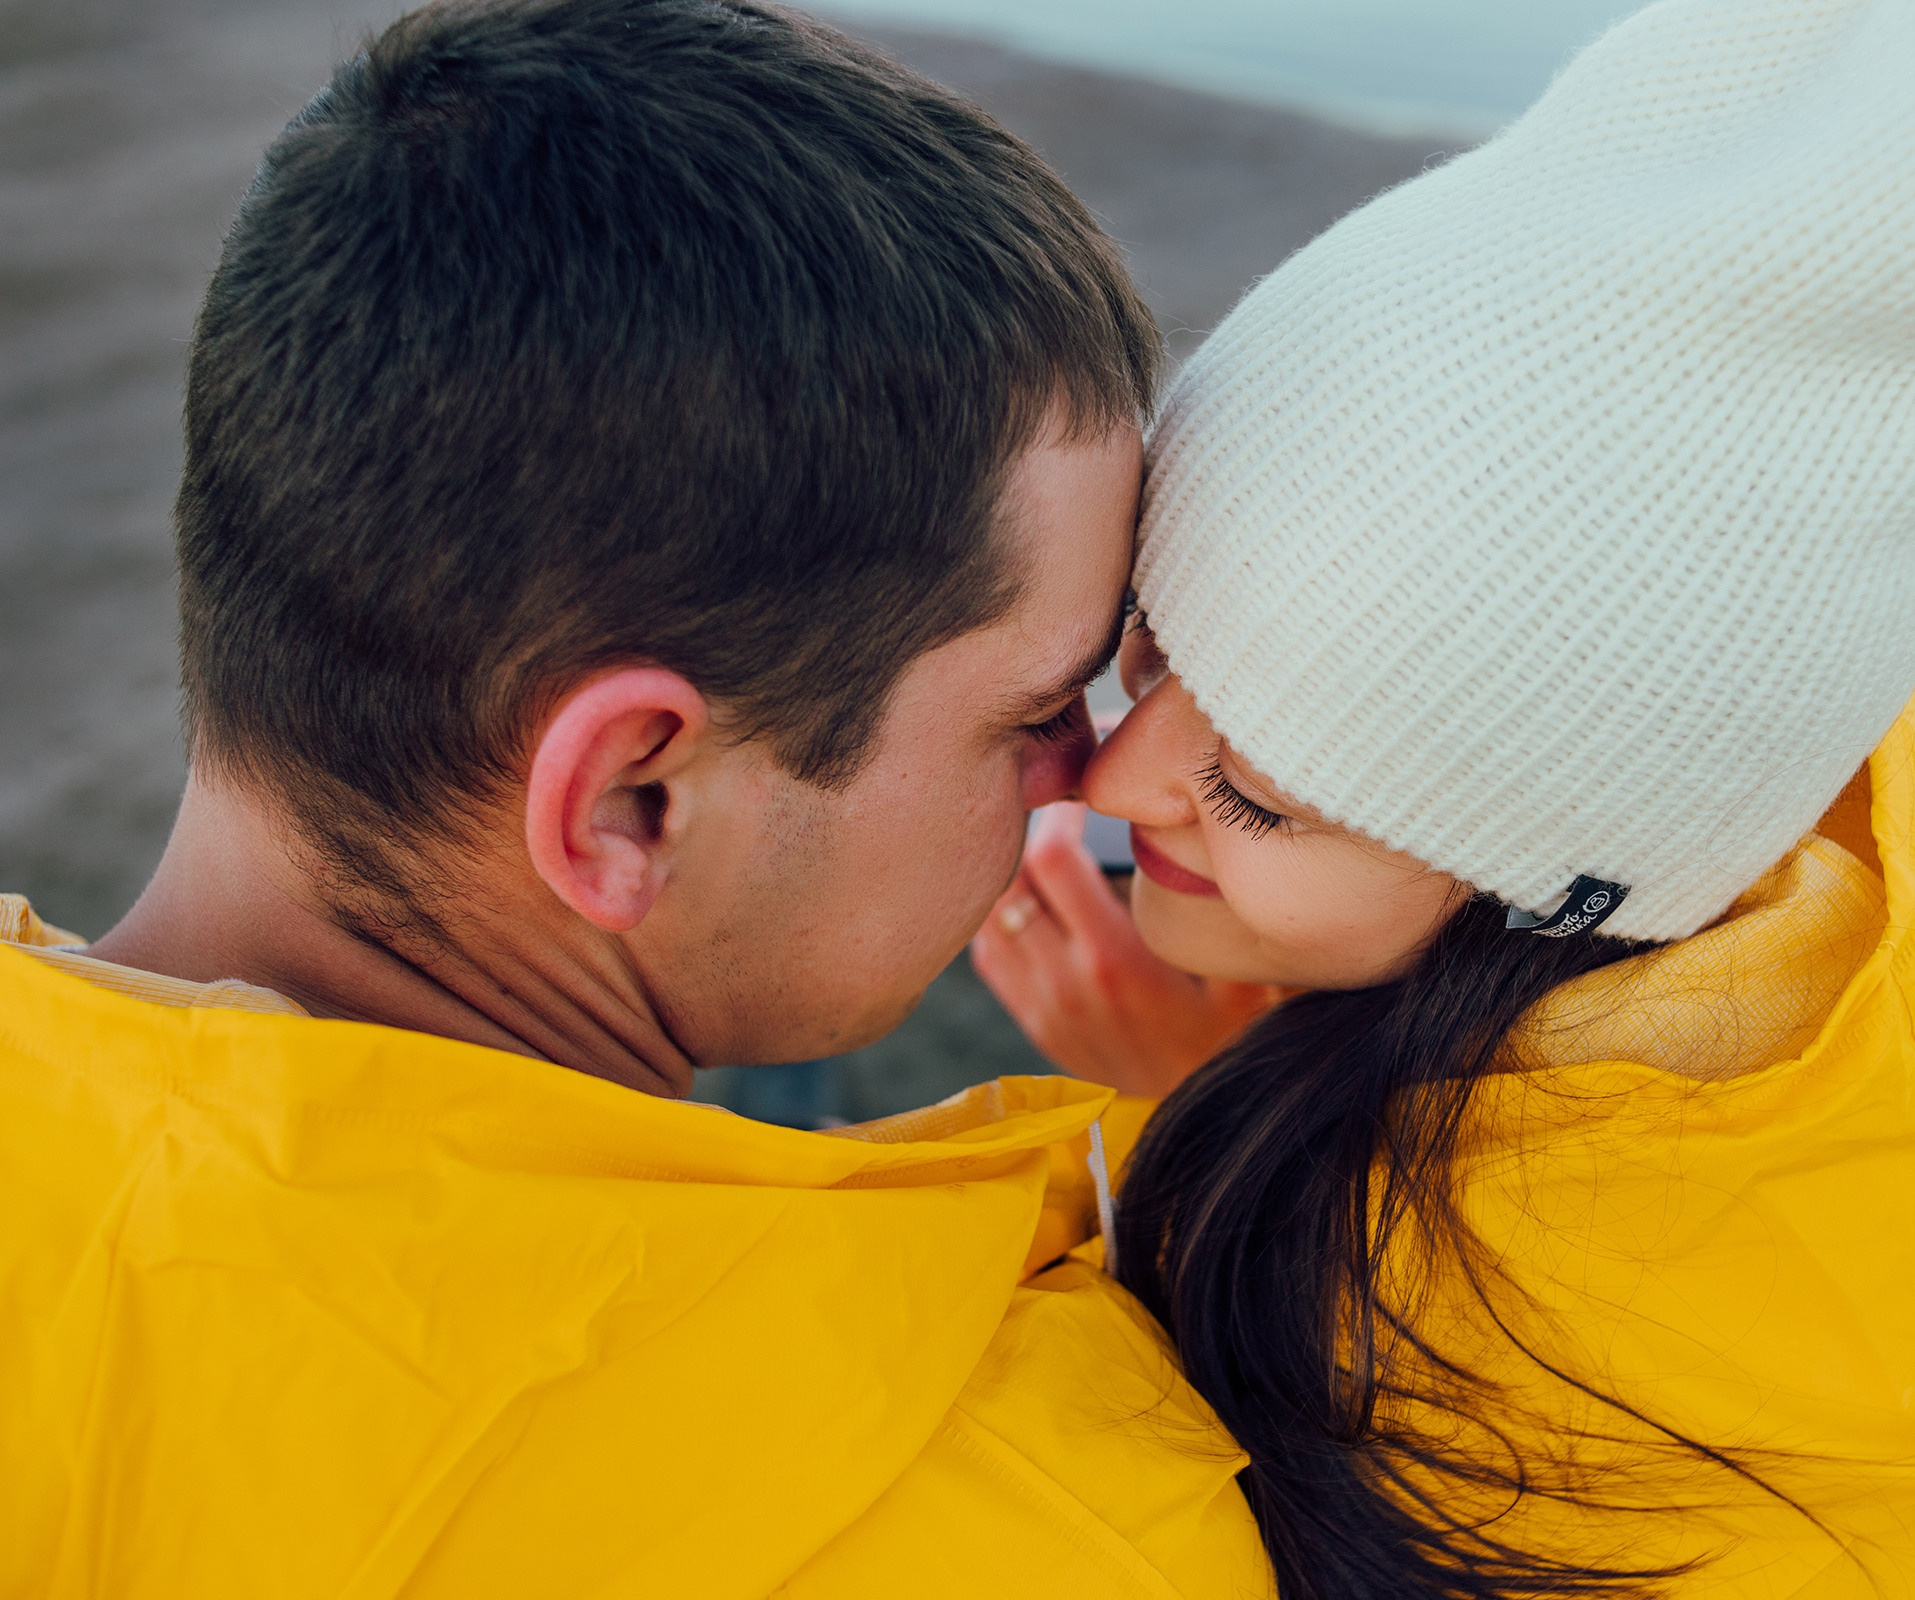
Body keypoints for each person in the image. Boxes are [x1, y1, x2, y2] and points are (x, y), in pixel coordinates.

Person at [972, 0, 1915, 1594]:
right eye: (1149, 642)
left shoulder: (1493, 1310)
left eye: (1261, 792)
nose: (1112, 779)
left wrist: (1186, 1117)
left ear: (1559, 884)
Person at [0, 2, 1270, 1594]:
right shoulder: (1027, 1497)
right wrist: (1249, 1147)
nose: (1098, 772)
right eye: (1032, 713)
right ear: (629, 802)